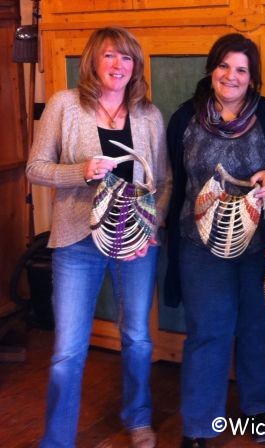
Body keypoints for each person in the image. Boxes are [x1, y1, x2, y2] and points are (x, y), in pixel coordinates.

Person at [26, 27, 171, 448]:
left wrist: (153, 225)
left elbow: (163, 180)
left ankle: (138, 418)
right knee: (67, 352)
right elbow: (36, 167)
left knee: (138, 339)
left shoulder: (148, 114)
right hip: (76, 243)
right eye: (110, 56)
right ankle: (56, 440)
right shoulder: (64, 105)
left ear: (136, 66)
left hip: (136, 244)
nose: (118, 66)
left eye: (127, 58)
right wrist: (80, 171)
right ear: (92, 60)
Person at [164, 33, 265, 447]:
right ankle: (198, 425)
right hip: (199, 247)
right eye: (224, 66)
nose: (231, 75)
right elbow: (174, 178)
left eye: (241, 69)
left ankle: (256, 411)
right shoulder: (183, 120)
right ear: (212, 69)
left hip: (258, 247)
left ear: (252, 78)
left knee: (259, 327)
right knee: (208, 330)